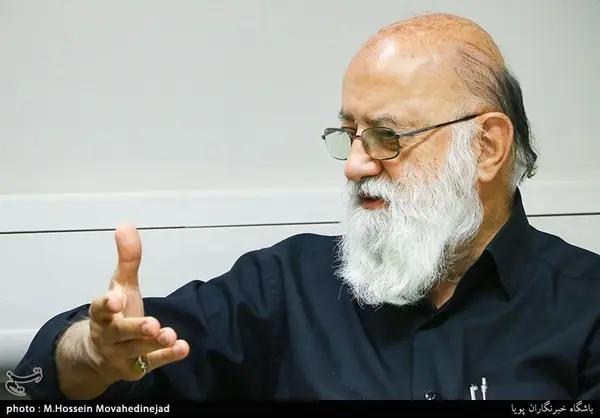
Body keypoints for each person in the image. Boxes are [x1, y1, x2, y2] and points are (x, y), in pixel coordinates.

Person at [13, 12, 600, 401]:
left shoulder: (586, 311)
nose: (355, 165)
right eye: (350, 134)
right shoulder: (285, 289)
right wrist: (91, 356)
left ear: (487, 147)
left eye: (387, 137)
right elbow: (55, 384)